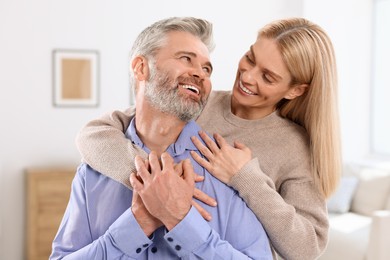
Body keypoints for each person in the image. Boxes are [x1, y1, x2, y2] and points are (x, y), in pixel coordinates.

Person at [76, 17, 342, 260]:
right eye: (250, 58)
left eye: (267, 77)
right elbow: (93, 136)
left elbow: (307, 248)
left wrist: (246, 178)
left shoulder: (292, 146)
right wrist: (154, 181)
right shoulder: (196, 101)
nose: (248, 77)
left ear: (295, 90)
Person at [50, 17, 273, 259]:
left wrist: (180, 220)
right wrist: (136, 225)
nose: (200, 73)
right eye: (186, 58)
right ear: (140, 67)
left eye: (207, 69)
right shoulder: (92, 172)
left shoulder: (227, 169)